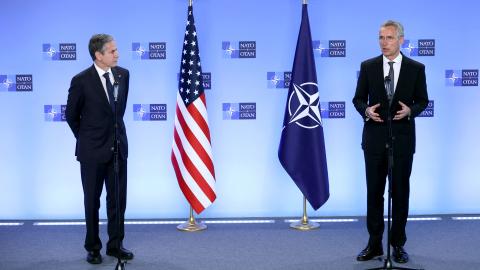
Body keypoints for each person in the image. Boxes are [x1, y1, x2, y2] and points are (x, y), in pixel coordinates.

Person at [352, 20, 428, 264]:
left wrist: (410, 111)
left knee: (400, 194)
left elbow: (423, 100)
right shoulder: (368, 66)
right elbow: (358, 99)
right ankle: (374, 244)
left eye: (389, 38)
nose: (384, 43)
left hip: (402, 142)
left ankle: (398, 245)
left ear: (401, 40)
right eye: (381, 38)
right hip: (374, 141)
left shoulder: (416, 68)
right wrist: (366, 111)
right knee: (374, 194)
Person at [66, 34, 133, 264]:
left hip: (118, 150)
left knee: (117, 201)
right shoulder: (81, 80)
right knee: (92, 201)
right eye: (112, 51)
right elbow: (71, 116)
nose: (117, 54)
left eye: (117, 50)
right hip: (92, 152)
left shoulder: (123, 75)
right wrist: (87, 139)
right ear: (98, 55)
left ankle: (116, 245)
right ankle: (93, 247)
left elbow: (118, 112)